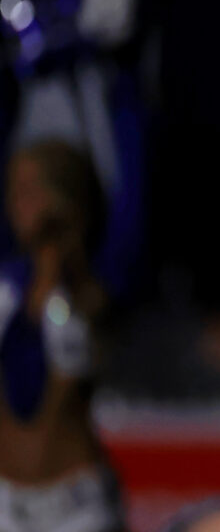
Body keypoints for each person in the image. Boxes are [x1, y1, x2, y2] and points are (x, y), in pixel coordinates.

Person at [0, 139, 123, 532]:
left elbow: (71, 355)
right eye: (15, 191)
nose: (22, 204)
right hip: (7, 500)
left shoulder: (94, 287)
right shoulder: (6, 286)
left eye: (34, 191)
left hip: (75, 505)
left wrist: (56, 267)